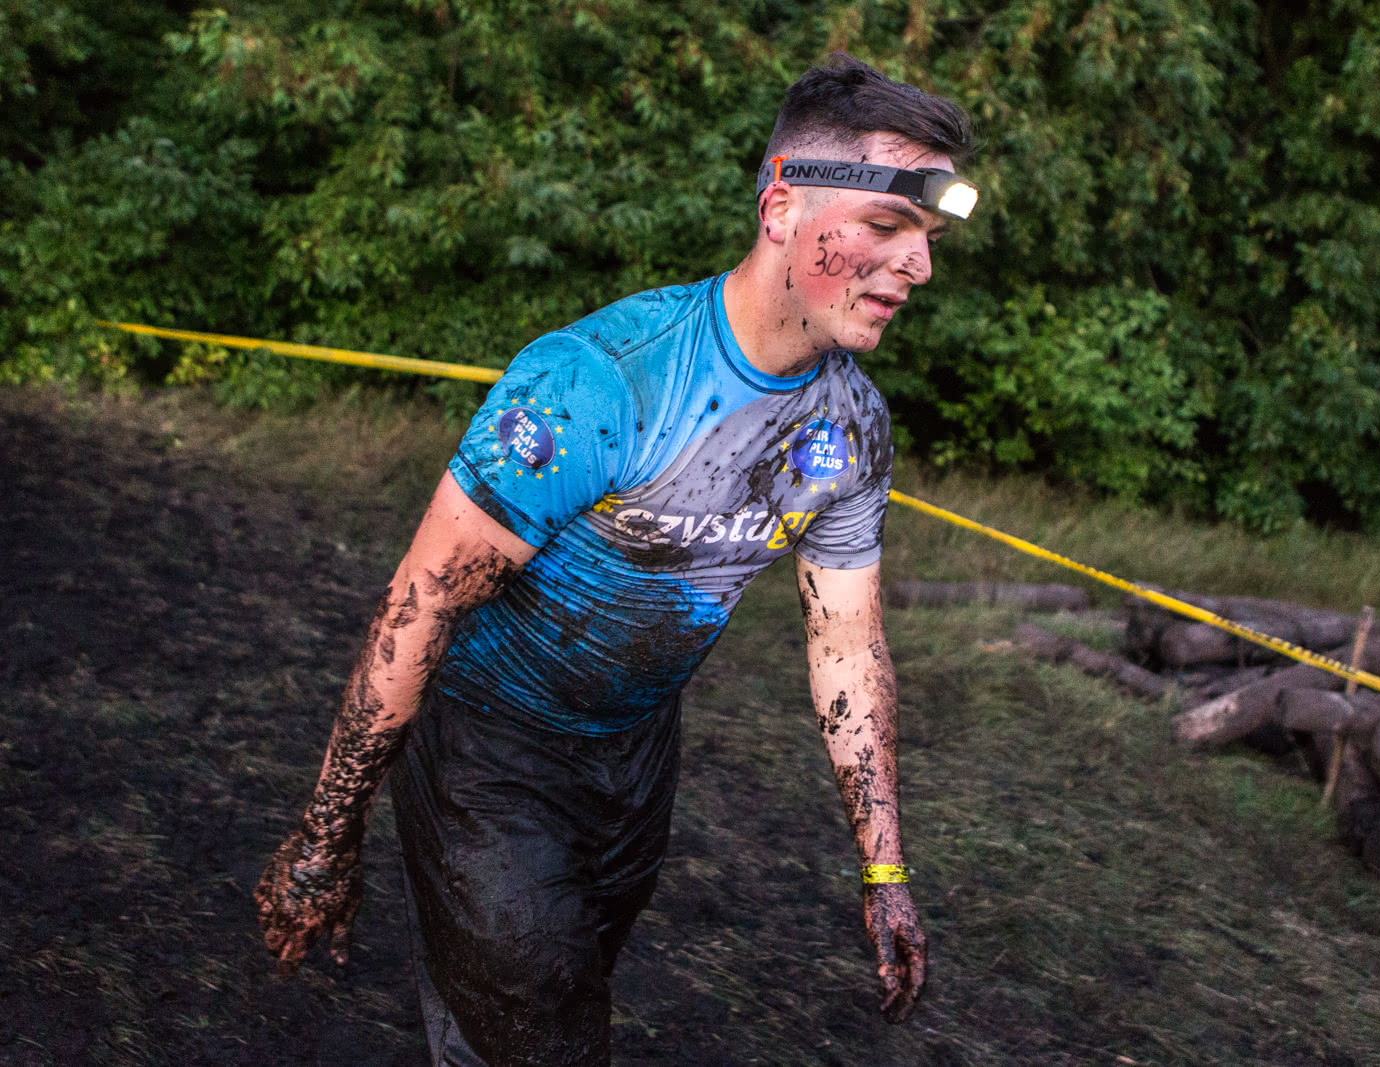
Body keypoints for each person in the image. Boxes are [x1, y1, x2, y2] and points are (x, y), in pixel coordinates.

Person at [253, 52, 978, 1065]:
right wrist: (325, 837)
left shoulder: (850, 424)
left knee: (529, 1011)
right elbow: (421, 603)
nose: (919, 267)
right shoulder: (599, 383)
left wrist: (885, 870)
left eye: (929, 238)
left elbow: (847, 645)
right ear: (782, 208)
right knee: (550, 1028)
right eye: (890, 225)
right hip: (487, 753)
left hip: (635, 760)